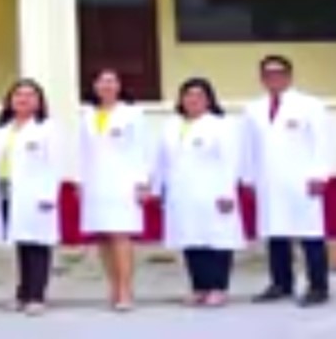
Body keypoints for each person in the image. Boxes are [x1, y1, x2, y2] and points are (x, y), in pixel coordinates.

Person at [243, 53, 333, 306]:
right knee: (275, 233)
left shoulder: (310, 105)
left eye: (278, 73)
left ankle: (318, 286)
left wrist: (319, 174)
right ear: (262, 78)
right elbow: (248, 147)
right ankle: (281, 283)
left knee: (310, 234)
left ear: (289, 76)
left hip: (302, 180)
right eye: (268, 74)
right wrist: (248, 177)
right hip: (268, 180)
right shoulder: (253, 109)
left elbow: (322, 142)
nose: (273, 78)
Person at [153, 76, 244, 308]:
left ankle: (218, 287)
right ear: (181, 99)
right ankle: (199, 287)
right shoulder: (171, 126)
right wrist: (157, 188)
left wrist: (228, 191)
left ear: (209, 100)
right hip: (181, 193)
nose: (193, 100)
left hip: (213, 192)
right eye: (188, 95)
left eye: (199, 95)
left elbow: (231, 160)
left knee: (217, 240)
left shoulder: (221, 125)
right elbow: (161, 161)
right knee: (190, 239)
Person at [0, 78, 60, 316]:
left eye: (30, 95)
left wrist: (48, 194)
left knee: (37, 244)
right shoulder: (2, 129)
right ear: (10, 100)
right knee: (20, 242)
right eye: (18, 95)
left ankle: (36, 296)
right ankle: (22, 293)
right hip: (6, 190)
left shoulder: (47, 128)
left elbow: (54, 163)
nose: (23, 99)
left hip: (35, 194)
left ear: (39, 101)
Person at [78, 67, 149, 311]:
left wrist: (142, 181)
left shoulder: (133, 113)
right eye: (102, 81)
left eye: (112, 81)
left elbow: (142, 148)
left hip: (123, 182)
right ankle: (114, 286)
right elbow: (82, 151)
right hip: (96, 182)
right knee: (104, 236)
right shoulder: (87, 115)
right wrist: (80, 181)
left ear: (119, 86)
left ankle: (126, 290)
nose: (107, 86)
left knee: (121, 234)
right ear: (95, 86)